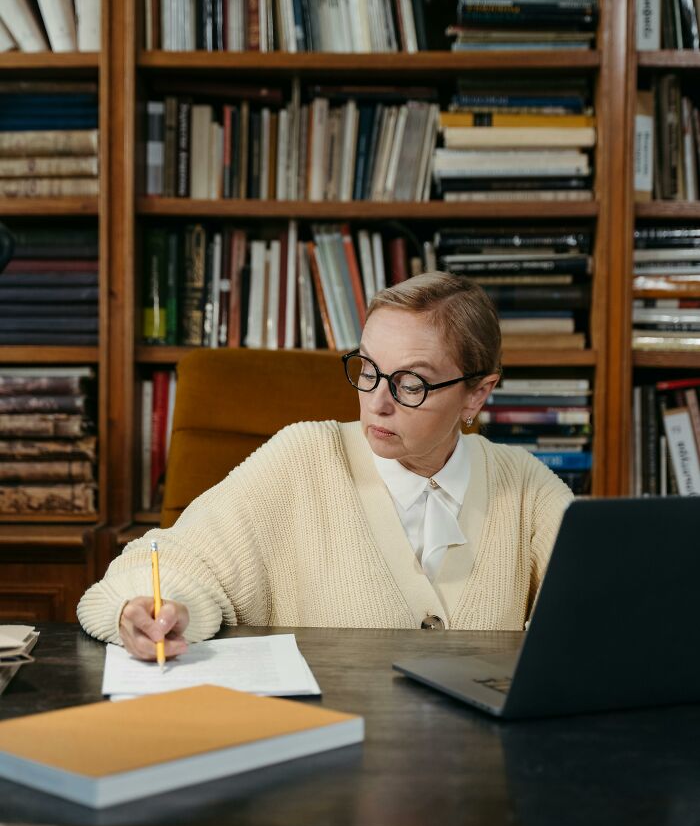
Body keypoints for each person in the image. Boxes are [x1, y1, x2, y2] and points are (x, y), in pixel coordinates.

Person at [78, 270, 573, 658]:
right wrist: (146, 608)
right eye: (368, 369)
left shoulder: (524, 486)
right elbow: (168, 562)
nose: (377, 402)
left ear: (477, 394)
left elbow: (606, 605)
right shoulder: (303, 459)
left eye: (411, 384)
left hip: (479, 772)